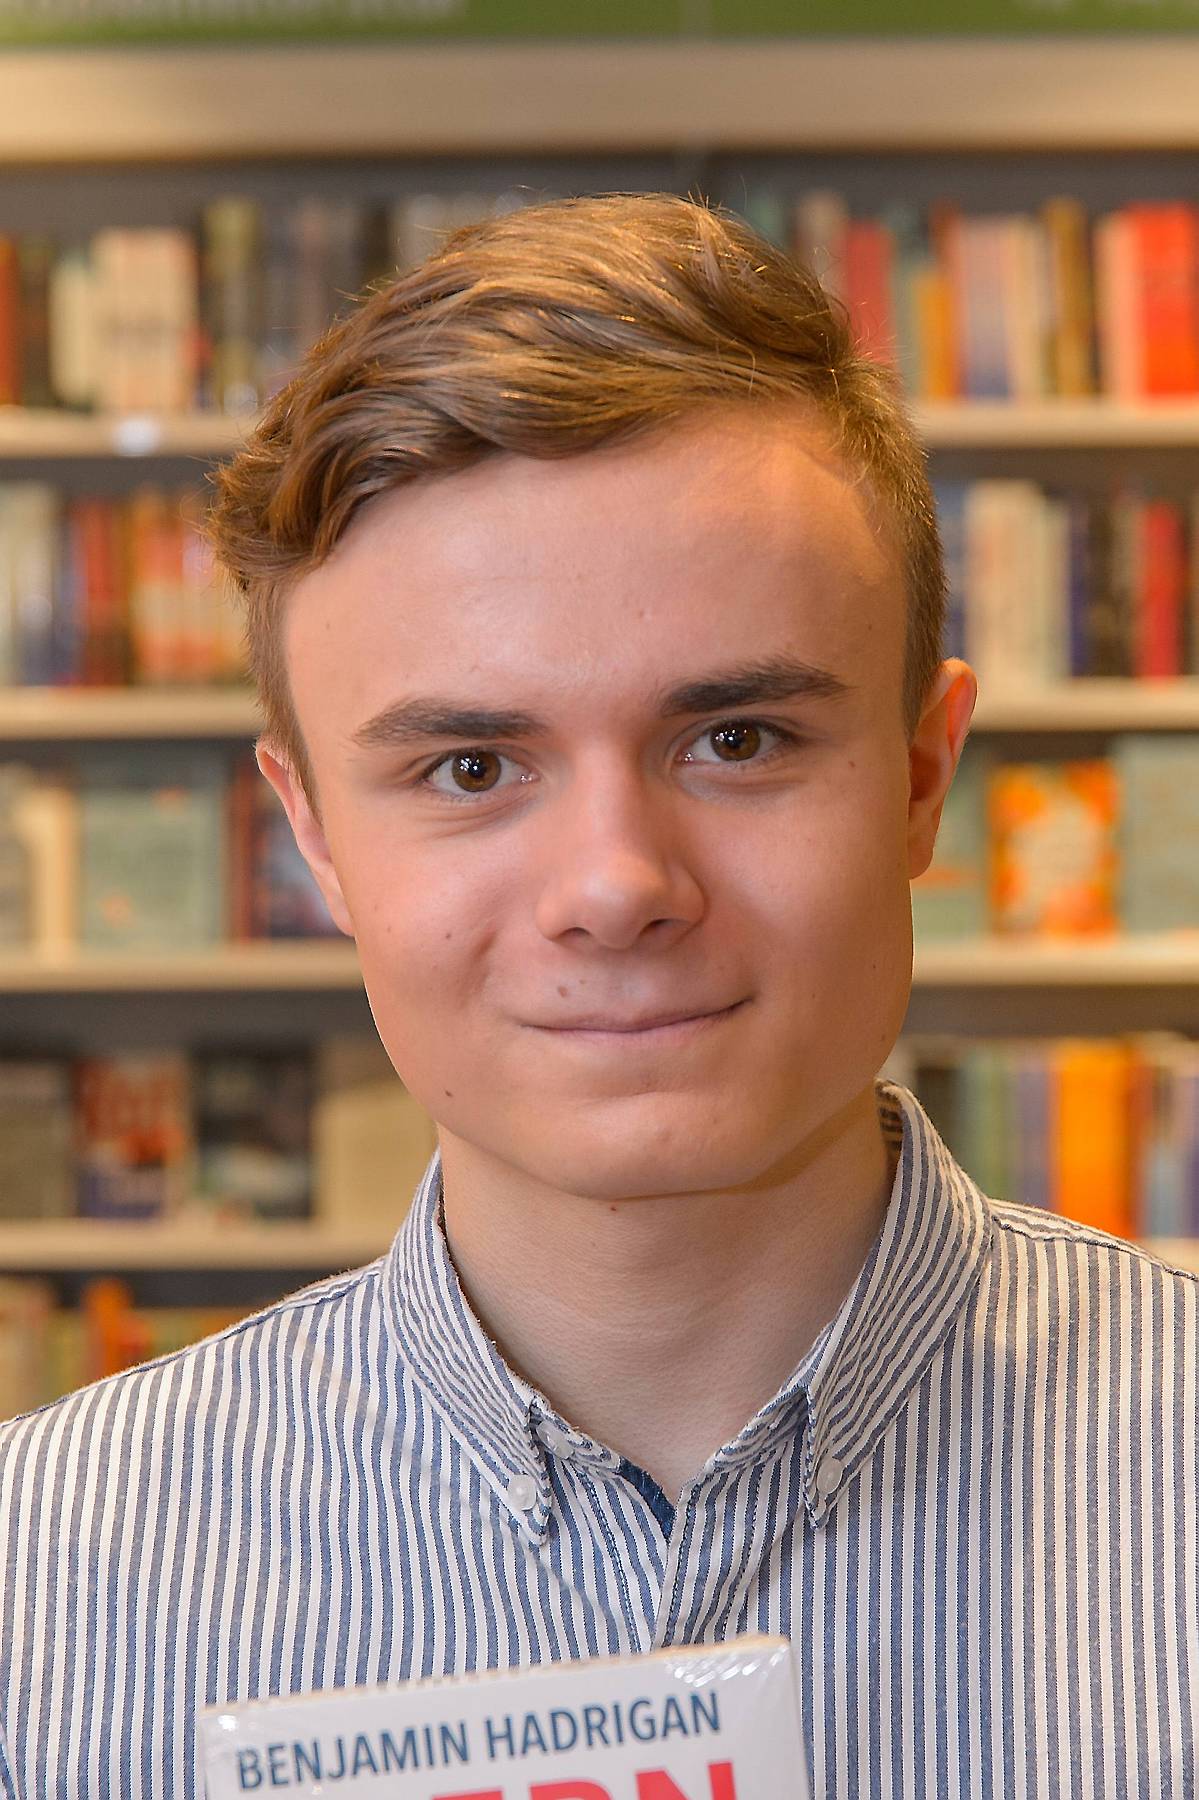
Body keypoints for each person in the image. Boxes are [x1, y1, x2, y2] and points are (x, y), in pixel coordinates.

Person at [1, 192, 1195, 1800]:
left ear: (923, 776)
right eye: (471, 767)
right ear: (316, 838)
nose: (617, 883)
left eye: (738, 741)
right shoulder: (42, 1586)